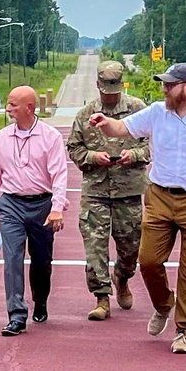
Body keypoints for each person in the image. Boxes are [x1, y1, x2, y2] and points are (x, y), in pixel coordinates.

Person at [89, 62, 186, 355]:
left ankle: (184, 330)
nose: (164, 89)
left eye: (169, 84)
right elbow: (122, 128)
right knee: (147, 260)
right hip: (160, 195)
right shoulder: (158, 112)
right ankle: (164, 304)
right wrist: (105, 122)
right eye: (163, 84)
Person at [0, 85, 68, 336]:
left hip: (42, 205)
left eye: (12, 104)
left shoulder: (50, 137)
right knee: (13, 259)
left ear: (29, 108)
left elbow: (60, 175)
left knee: (41, 262)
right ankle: (16, 315)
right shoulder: (1, 137)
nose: (7, 108)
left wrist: (57, 208)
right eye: (7, 104)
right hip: (11, 205)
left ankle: (40, 300)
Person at [67, 61, 150, 321]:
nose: (110, 95)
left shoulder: (138, 110)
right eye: (106, 90)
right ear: (98, 86)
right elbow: (73, 148)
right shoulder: (85, 114)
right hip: (96, 190)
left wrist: (133, 154)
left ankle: (122, 277)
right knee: (95, 247)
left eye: (114, 91)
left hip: (129, 190)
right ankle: (101, 297)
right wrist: (92, 157)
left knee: (131, 247)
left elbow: (153, 145)